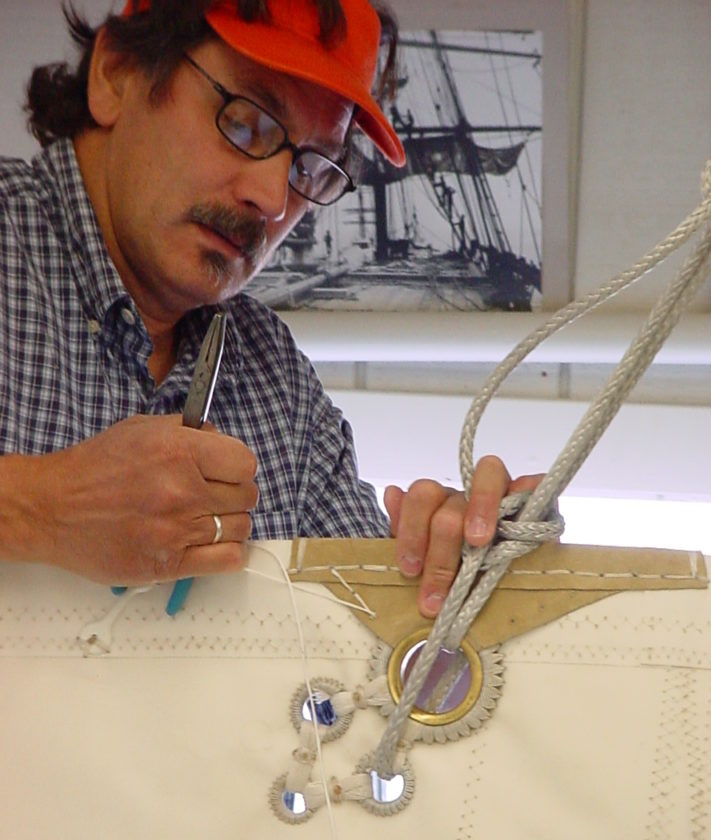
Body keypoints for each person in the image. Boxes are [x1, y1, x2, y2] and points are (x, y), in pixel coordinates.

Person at [0, 0, 535, 619]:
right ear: (116, 75)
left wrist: (453, 563)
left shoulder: (279, 383)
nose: (273, 199)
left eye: (309, 167)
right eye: (246, 123)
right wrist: (41, 507)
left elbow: (369, 638)